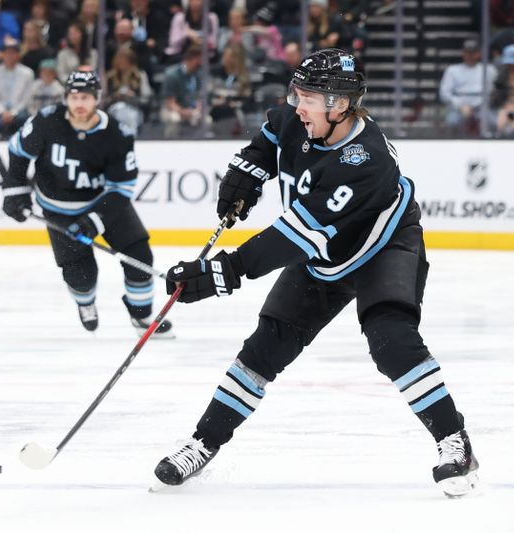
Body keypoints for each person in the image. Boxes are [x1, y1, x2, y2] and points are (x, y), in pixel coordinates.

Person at [152, 48, 479, 498]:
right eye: (297, 92)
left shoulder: (364, 160)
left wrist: (224, 270)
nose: (297, 104)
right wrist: (246, 173)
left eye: (308, 96)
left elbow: (296, 237)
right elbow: (268, 140)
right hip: (327, 251)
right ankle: (202, 443)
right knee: (264, 348)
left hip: (384, 247)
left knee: (393, 343)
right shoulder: (296, 119)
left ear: (340, 105)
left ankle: (453, 441)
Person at [2, 69, 173, 337]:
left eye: (86, 97)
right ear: (66, 98)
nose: (79, 104)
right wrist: (15, 190)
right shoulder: (48, 121)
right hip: (59, 211)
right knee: (81, 276)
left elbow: (121, 188)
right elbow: (18, 151)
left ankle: (142, 318)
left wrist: (93, 222)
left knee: (139, 255)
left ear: (97, 99)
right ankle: (86, 303)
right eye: (74, 97)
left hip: (104, 207)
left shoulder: (117, 134)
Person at [439, 39, 498, 135]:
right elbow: (444, 94)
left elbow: (492, 91)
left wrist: (480, 104)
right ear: (463, 53)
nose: (470, 55)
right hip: (458, 108)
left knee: (493, 123)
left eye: (473, 52)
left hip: (481, 107)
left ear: (479, 53)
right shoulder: (452, 70)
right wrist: (460, 106)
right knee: (451, 122)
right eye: (467, 52)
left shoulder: (489, 70)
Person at [0, 38, 34, 136]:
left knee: (24, 118)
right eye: (7, 52)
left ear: (18, 54)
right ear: (2, 54)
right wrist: (3, 112)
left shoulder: (27, 73)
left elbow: (26, 99)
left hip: (19, 111)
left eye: (13, 53)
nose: (10, 56)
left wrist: (13, 112)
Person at [160, 45, 203, 137]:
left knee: (206, 119)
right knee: (174, 119)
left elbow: (200, 98)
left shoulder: (198, 75)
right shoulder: (172, 74)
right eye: (200, 59)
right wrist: (183, 112)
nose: (202, 63)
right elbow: (170, 103)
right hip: (173, 109)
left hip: (192, 109)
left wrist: (197, 109)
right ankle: (171, 145)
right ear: (193, 58)